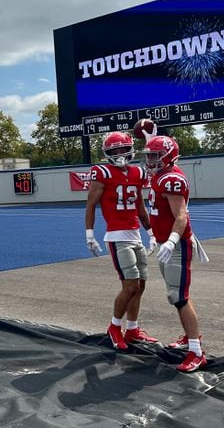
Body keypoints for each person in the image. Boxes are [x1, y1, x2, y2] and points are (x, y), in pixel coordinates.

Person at [85, 131, 157, 351]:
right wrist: (89, 234)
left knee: (141, 285)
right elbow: (90, 205)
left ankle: (133, 329)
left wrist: (151, 233)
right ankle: (115, 327)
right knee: (130, 285)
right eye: (114, 150)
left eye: (123, 149)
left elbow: (140, 206)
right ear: (107, 153)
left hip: (135, 234)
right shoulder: (102, 172)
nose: (119, 154)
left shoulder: (137, 172)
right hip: (117, 237)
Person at [142, 135, 207, 372]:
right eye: (148, 155)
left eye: (154, 155)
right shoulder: (161, 175)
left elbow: (181, 216)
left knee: (179, 296)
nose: (150, 160)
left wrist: (170, 241)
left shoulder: (171, 178)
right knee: (177, 295)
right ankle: (190, 337)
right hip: (165, 243)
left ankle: (196, 352)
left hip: (176, 245)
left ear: (167, 155)